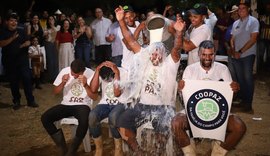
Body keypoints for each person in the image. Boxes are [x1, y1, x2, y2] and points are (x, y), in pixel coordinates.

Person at [114, 6, 185, 155]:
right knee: (121, 123)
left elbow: (177, 48)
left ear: (163, 54)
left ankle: (158, 152)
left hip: (163, 107)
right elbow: (130, 40)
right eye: (152, 53)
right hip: (142, 106)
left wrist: (179, 33)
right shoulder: (145, 61)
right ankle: (139, 151)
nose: (155, 56)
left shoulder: (170, 64)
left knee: (162, 132)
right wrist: (121, 21)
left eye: (158, 53)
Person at [171, 40, 246, 156]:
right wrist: (180, 89)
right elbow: (184, 98)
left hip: (217, 113)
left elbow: (229, 97)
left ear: (214, 55)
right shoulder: (190, 69)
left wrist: (234, 90)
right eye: (204, 54)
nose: (207, 58)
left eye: (211, 54)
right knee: (176, 123)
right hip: (193, 112)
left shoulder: (222, 69)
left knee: (239, 127)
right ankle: (189, 153)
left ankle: (217, 152)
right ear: (199, 55)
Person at [41, 59, 98, 156]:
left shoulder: (91, 74)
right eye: (73, 73)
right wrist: (63, 82)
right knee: (45, 117)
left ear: (83, 71)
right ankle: (62, 147)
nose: (74, 76)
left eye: (77, 74)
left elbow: (95, 97)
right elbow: (55, 92)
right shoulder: (65, 71)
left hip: (83, 105)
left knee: (84, 121)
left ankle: (72, 151)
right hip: (66, 104)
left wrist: (85, 85)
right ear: (70, 68)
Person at [0, 12, 38, 110]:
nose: (14, 22)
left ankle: (31, 100)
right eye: (11, 20)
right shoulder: (3, 31)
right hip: (10, 61)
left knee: (27, 79)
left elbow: (29, 41)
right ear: (7, 22)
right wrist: (12, 38)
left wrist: (26, 43)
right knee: (14, 82)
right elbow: (1, 44)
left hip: (22, 60)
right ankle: (16, 100)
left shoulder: (21, 30)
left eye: (15, 21)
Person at [88, 61, 126, 156]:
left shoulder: (124, 73)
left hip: (121, 103)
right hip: (105, 103)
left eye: (109, 79)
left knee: (113, 117)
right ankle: (99, 148)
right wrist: (97, 71)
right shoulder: (103, 72)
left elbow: (117, 93)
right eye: (104, 79)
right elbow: (93, 89)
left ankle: (118, 148)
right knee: (92, 116)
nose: (107, 81)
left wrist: (117, 73)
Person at [230, 0, 259, 113]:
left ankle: (248, 104)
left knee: (247, 78)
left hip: (247, 54)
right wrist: (233, 50)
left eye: (243, 8)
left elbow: (253, 39)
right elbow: (232, 39)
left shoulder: (253, 21)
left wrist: (240, 51)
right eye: (239, 9)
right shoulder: (236, 23)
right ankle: (243, 101)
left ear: (248, 10)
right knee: (240, 79)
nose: (241, 10)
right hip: (236, 55)